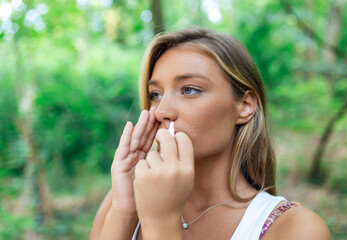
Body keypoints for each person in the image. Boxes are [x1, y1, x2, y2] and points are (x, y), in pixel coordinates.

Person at [90, 27, 331, 240]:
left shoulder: (295, 229)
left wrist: (161, 223)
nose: (162, 111)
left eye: (190, 90)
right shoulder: (119, 202)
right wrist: (124, 212)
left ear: (245, 106)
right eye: (156, 94)